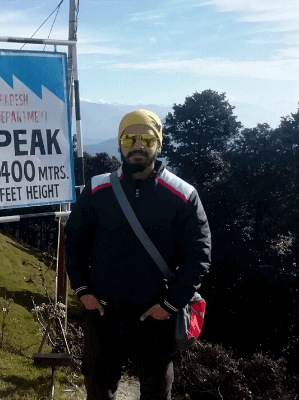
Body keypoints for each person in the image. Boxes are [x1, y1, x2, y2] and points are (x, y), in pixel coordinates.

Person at [65, 109, 211, 400]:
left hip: (155, 316)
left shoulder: (183, 195)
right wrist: (83, 290)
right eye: (129, 138)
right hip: (103, 312)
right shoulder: (96, 190)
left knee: (157, 391)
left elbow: (199, 254)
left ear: (159, 143)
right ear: (119, 144)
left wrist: (170, 305)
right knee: (97, 389)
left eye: (147, 138)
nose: (137, 145)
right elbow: (74, 240)